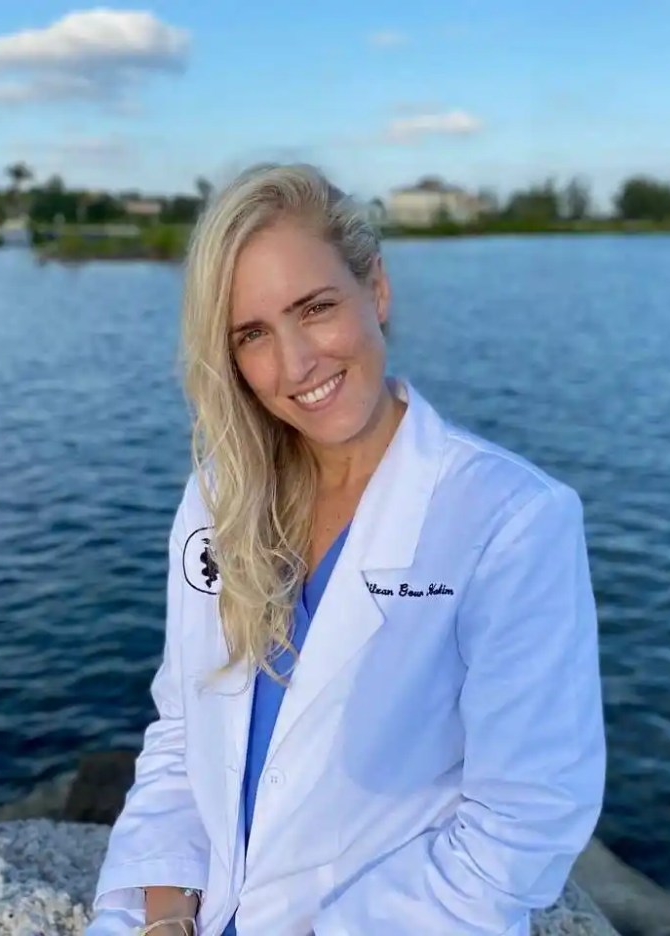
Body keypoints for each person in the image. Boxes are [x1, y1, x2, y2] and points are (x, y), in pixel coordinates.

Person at [85, 163, 607, 936]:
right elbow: (181, 731)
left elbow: (522, 827)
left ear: (378, 291)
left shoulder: (511, 521)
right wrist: (161, 919)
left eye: (316, 308)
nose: (296, 365)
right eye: (253, 334)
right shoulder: (220, 496)